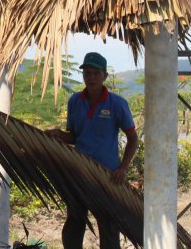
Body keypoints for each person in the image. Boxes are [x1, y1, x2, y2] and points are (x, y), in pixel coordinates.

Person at [47, 52, 139, 249]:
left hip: (107, 175)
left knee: (108, 225)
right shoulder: (75, 102)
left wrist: (123, 168)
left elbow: (133, 139)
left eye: (95, 73)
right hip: (79, 171)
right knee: (75, 221)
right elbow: (75, 136)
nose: (91, 77)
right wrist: (60, 135)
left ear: (104, 76)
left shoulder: (117, 104)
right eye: (87, 73)